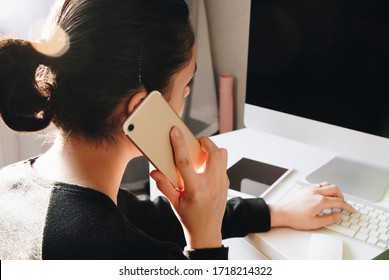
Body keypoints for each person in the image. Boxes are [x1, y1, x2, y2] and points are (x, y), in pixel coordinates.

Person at [0, 0, 355, 260]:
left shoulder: (15, 184)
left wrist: (276, 212)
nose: (186, 95)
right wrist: (204, 240)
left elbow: (144, 217)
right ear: (141, 110)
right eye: (186, 85)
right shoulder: (119, 252)